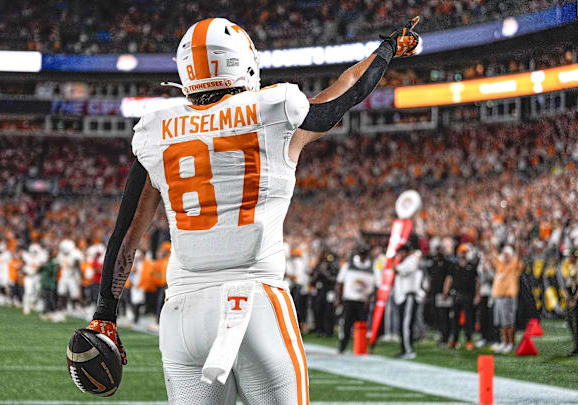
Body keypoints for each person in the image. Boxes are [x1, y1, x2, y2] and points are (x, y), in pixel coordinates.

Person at [70, 16, 421, 404]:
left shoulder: (156, 130)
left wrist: (106, 313)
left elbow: (125, 237)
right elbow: (346, 94)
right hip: (254, 302)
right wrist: (386, 50)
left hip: (183, 316)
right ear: (243, 62)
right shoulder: (273, 109)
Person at [336, 242, 378, 353]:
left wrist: (371, 298)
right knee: (346, 325)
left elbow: (376, 285)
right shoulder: (348, 265)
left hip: (363, 301)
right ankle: (343, 346)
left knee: (362, 326)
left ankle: (360, 347)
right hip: (349, 299)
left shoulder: (373, 268)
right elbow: (340, 283)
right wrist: (339, 298)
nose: (363, 256)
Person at [444, 244, 480, 350]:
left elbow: (477, 282)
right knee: (454, 319)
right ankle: (455, 340)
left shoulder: (472, 266)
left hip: (468, 295)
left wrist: (477, 295)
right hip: (456, 294)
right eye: (462, 252)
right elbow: (449, 279)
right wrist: (445, 291)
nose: (463, 254)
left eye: (465, 252)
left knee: (468, 319)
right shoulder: (454, 265)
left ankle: (469, 340)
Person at [489, 245, 522, 354]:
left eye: (507, 254)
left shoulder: (514, 265)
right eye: (504, 254)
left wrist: (518, 240)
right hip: (499, 296)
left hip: (508, 296)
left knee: (509, 322)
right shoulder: (501, 264)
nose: (505, 256)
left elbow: (519, 255)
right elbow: (493, 255)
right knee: (502, 322)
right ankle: (505, 342)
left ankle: (511, 344)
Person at [393, 241, 423, 359]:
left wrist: (391, 262)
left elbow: (399, 270)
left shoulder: (411, 260)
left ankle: (408, 350)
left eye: (402, 252)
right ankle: (405, 348)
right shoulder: (407, 261)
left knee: (406, 325)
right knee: (403, 325)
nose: (400, 254)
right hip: (403, 297)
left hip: (409, 296)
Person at [22, 243, 48, 315]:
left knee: (38, 291)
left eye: (35, 251)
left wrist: (40, 266)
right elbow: (23, 265)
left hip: (37, 276)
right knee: (28, 292)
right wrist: (24, 269)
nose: (34, 253)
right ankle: (26, 308)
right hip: (29, 276)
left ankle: (35, 304)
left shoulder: (41, 256)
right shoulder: (26, 256)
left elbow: (44, 263)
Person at [567, 250, 578, 357]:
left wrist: (574, 299)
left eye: (570, 256)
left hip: (575, 298)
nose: (568, 258)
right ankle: (576, 346)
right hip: (572, 297)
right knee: (571, 322)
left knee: (576, 323)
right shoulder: (572, 266)